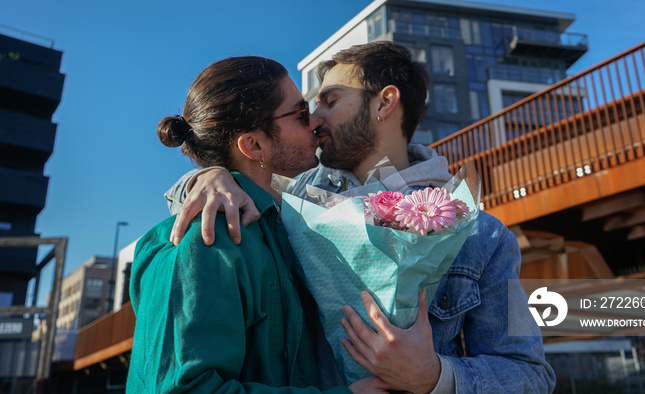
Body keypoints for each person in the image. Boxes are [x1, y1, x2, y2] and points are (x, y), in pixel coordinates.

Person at [166, 42, 557, 393]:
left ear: (385, 103)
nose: (315, 120)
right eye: (309, 108)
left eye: (330, 102)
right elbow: (226, 173)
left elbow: (531, 376)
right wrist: (209, 175)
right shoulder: (290, 204)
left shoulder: (480, 234)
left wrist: (436, 376)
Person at [127, 56, 393, 393]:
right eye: (300, 115)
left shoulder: (283, 226)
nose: (315, 123)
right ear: (254, 145)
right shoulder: (202, 239)